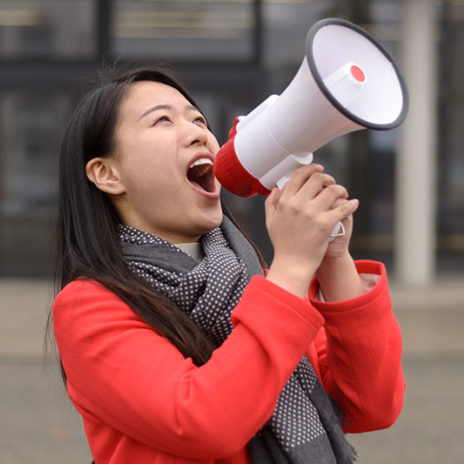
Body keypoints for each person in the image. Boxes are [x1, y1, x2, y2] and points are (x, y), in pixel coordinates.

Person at [50, 66, 404, 464]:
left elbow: (371, 405)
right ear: (107, 174)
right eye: (163, 120)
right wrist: (290, 268)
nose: (199, 132)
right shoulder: (88, 305)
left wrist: (333, 259)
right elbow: (202, 421)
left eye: (198, 119)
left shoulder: (255, 280)